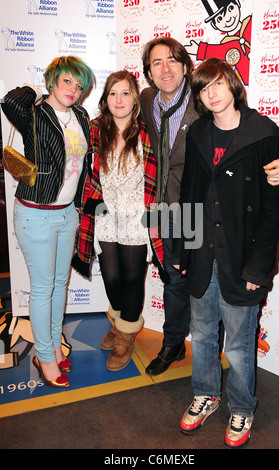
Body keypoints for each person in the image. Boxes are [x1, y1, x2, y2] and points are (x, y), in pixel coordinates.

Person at [140, 36, 279, 376]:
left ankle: (197, 354)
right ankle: (173, 343)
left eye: (171, 61)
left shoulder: (202, 103)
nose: (165, 69)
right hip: (163, 207)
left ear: (184, 66)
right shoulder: (145, 100)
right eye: (156, 63)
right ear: (149, 74)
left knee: (205, 284)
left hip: (200, 206)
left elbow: (252, 132)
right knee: (174, 280)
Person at [172, 57, 279, 448]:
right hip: (202, 256)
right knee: (202, 334)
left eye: (218, 83)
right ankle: (205, 394)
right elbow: (187, 194)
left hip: (242, 260)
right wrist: (181, 250)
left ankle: (242, 407)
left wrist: (259, 267)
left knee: (238, 344)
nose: (212, 93)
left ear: (233, 84)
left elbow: (273, 213)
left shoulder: (263, 135)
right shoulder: (198, 133)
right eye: (204, 88)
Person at [1, 56, 94, 387]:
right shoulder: (35, 114)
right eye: (67, 81)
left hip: (67, 213)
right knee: (43, 288)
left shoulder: (81, 116)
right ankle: (43, 356)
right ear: (52, 80)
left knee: (59, 284)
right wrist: (32, 91)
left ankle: (52, 346)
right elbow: (10, 100)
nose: (74, 90)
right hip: (35, 213)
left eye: (79, 85)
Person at [71, 70, 165, 372]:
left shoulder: (148, 131)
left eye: (125, 93)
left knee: (132, 278)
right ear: (105, 98)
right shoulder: (94, 129)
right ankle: (123, 319)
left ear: (135, 98)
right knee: (111, 278)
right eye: (113, 93)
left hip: (137, 216)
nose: (119, 99)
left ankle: (125, 334)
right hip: (106, 215)